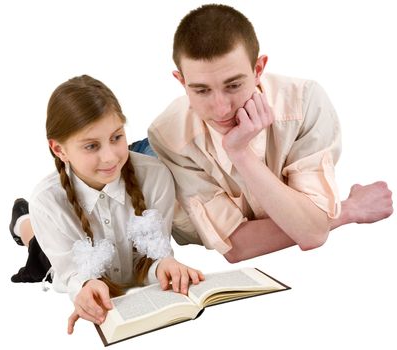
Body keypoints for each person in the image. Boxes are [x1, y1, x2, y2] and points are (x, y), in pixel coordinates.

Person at [147, 4, 393, 262]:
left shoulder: (305, 102)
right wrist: (346, 210)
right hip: (156, 168)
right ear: (181, 81)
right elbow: (237, 247)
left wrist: (239, 153)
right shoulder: (167, 135)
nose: (221, 108)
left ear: (258, 70)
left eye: (233, 85)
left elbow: (311, 234)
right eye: (201, 90)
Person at [8, 75, 204, 334]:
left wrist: (163, 266)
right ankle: (22, 219)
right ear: (59, 150)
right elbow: (74, 276)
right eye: (91, 146)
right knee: (36, 249)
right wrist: (85, 286)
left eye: (116, 137)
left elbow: (148, 259)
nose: (110, 157)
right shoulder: (48, 202)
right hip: (60, 252)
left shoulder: (155, 176)